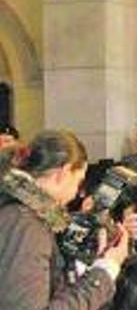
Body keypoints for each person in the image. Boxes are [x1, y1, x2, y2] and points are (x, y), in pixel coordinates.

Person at [0, 130, 130, 309]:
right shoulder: (26, 224)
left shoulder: (16, 211)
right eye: (78, 181)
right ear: (64, 172)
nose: (77, 193)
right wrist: (104, 272)